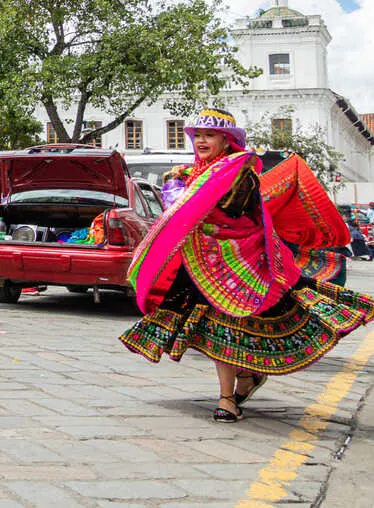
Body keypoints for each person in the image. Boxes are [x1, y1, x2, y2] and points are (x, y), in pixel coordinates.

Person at [121, 109, 374, 423]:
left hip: (244, 261)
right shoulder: (184, 174)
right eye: (197, 135)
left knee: (241, 325)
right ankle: (228, 395)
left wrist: (195, 195)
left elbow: (230, 211)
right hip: (202, 262)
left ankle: (245, 379)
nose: (201, 140)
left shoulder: (241, 173)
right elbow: (175, 216)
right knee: (216, 328)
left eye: (209, 135)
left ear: (226, 140)